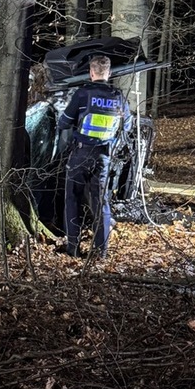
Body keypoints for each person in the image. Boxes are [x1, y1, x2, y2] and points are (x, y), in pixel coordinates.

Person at [57, 55, 131, 259]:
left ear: (91, 73)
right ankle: (101, 252)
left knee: (72, 198)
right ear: (109, 73)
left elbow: (63, 122)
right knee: (101, 202)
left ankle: (73, 248)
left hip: (81, 154)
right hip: (104, 156)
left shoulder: (83, 94)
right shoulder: (118, 96)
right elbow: (127, 126)